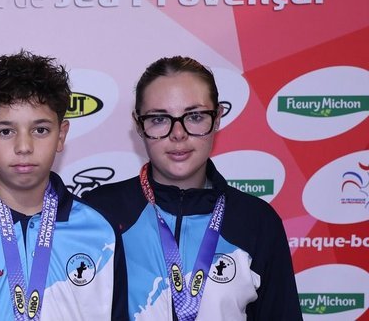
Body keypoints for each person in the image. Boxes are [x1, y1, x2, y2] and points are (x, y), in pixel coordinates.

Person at [83, 56, 301, 320]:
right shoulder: (98, 212)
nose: (178, 134)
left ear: (218, 117)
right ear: (139, 125)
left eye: (195, 116)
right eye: (159, 119)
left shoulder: (256, 222)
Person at [0, 51, 124, 320]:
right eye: (6, 131)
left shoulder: (100, 230)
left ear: (61, 135)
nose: (24, 147)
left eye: (40, 130)